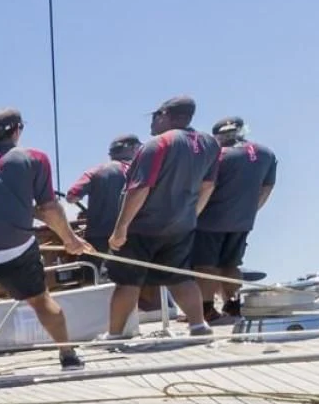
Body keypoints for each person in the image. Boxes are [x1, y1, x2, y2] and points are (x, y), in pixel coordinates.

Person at [0, 108, 89, 376]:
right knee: (41, 301)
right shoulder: (34, 158)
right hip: (16, 249)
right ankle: (68, 356)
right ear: (17, 130)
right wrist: (70, 240)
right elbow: (48, 209)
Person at [104, 95, 221, 338]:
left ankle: (114, 335)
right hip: (180, 226)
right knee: (178, 276)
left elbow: (139, 188)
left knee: (128, 281)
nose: (153, 123)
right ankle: (199, 326)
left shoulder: (158, 144)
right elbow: (208, 186)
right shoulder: (210, 144)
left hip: (143, 227)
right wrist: (191, 215)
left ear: (165, 115)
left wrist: (120, 229)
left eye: (155, 116)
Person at [193, 116, 277, 320]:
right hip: (242, 221)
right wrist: (250, 210)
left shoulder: (217, 155)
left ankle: (206, 309)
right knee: (231, 264)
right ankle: (233, 305)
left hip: (209, 220)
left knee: (204, 265)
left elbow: (205, 186)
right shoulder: (266, 153)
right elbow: (267, 187)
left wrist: (191, 214)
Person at [66, 134, 140, 254]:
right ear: (133, 149)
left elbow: (72, 197)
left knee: (93, 270)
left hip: (97, 239)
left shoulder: (96, 171)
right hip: (131, 239)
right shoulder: (138, 173)